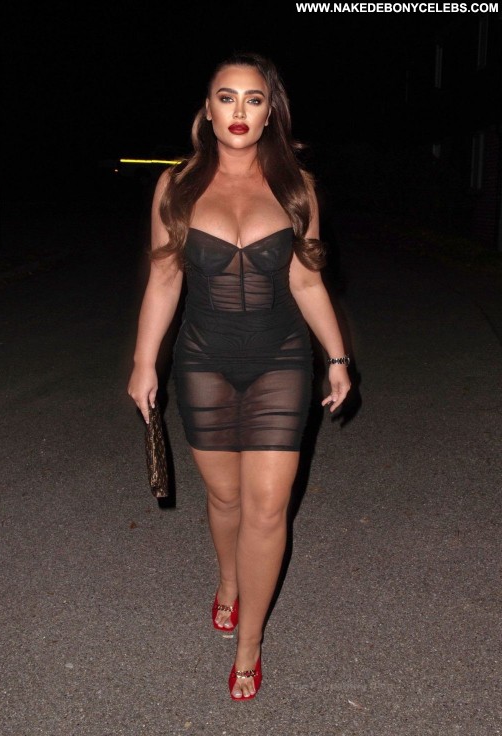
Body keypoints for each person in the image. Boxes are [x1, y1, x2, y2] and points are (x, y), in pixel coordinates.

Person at [127, 52, 351, 700]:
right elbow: (164, 279)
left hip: (282, 363)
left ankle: (249, 644)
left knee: (267, 507)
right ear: (207, 109)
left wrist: (338, 358)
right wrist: (144, 362)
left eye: (255, 100)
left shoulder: (295, 186)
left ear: (270, 113)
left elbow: (307, 282)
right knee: (224, 499)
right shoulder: (176, 185)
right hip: (203, 364)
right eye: (227, 97)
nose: (240, 112)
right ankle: (228, 579)